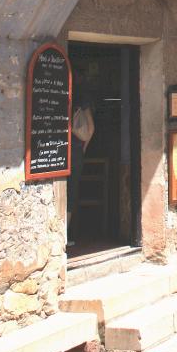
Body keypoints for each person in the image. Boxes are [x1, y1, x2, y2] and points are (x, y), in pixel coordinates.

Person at [67, 91, 95, 246]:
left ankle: (59, 234)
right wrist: (83, 148)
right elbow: (90, 129)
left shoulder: (54, 98)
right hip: (75, 152)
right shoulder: (82, 99)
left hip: (55, 152)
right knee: (71, 191)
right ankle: (63, 234)